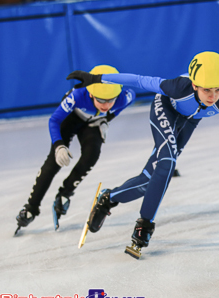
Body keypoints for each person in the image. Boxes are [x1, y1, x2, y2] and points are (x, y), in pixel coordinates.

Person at [66, 52, 219, 257]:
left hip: (189, 120)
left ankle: (108, 198)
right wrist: (97, 79)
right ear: (195, 85)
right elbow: (139, 80)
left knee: (149, 181)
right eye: (207, 89)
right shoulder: (178, 87)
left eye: (217, 89)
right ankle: (144, 225)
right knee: (167, 164)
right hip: (167, 108)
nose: (213, 96)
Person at [15, 65, 135, 234]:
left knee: (92, 155)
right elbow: (54, 120)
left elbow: (131, 97)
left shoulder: (122, 98)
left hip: (92, 123)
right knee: (54, 163)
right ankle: (31, 208)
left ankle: (65, 193)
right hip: (70, 119)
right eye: (101, 100)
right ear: (91, 93)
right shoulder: (77, 95)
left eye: (111, 100)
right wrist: (58, 146)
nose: (106, 104)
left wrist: (107, 118)